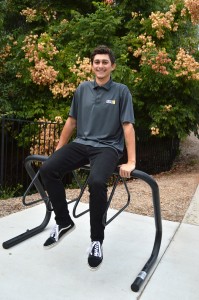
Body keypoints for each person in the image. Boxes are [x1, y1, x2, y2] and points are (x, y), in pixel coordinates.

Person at [40, 45, 136, 270]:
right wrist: (59, 149)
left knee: (96, 181)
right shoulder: (82, 89)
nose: (100, 65)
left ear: (113, 65)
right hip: (82, 143)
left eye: (105, 62)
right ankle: (63, 222)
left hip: (108, 147)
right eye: (96, 62)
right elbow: (71, 122)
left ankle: (96, 241)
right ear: (92, 65)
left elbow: (128, 126)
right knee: (47, 169)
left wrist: (131, 161)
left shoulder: (121, 91)